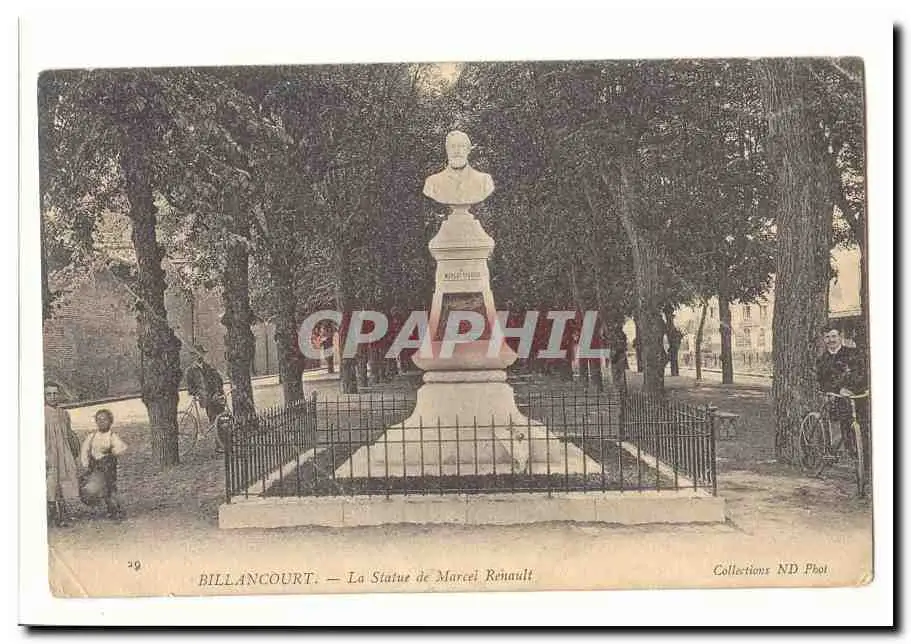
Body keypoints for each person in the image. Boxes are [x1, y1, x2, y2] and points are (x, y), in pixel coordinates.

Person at [816, 326, 868, 455]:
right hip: (837, 397)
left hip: (857, 393)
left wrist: (851, 388)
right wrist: (838, 389)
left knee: (865, 421)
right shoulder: (822, 360)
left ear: (840, 337)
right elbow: (822, 382)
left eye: (834, 336)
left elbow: (861, 372)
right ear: (824, 339)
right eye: (827, 337)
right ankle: (847, 452)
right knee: (843, 420)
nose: (831, 340)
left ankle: (863, 454)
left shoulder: (853, 353)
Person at [423, 130, 495, 206]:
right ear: (447, 150)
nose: (457, 151)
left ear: (468, 150)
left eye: (461, 146)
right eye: (453, 146)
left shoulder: (484, 181)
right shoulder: (432, 183)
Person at [45, 381, 81, 527]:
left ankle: (63, 513)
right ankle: (52, 514)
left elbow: (69, 434)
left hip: (63, 452)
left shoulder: (64, 413)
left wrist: (74, 450)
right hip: (49, 452)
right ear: (44, 396)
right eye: (49, 394)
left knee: (63, 480)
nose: (52, 397)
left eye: (55, 393)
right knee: (51, 482)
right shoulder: (40, 413)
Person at [80, 409, 127, 519]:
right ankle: (100, 505)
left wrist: (113, 451)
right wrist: (85, 464)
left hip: (108, 467)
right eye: (99, 420)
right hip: (94, 467)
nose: (101, 422)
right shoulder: (91, 436)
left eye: (105, 419)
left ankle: (114, 510)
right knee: (91, 488)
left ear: (110, 421)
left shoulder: (112, 436)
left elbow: (122, 447)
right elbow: (84, 450)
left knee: (110, 488)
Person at [185, 351, 226, 424]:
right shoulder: (190, 371)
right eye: (196, 355)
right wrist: (197, 393)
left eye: (201, 354)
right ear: (193, 356)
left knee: (220, 405)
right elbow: (190, 388)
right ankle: (214, 422)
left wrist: (218, 390)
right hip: (203, 395)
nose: (199, 356)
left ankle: (220, 422)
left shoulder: (208, 367)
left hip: (214, 393)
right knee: (212, 407)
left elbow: (218, 379)